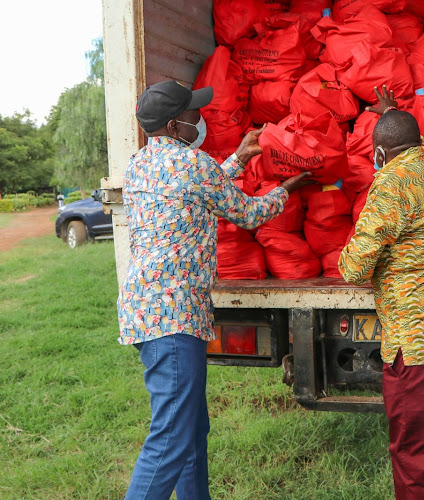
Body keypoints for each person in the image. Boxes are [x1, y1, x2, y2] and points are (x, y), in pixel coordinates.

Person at [117, 80, 310, 500]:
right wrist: (287, 189)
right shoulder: (194, 165)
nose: (198, 119)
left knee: (189, 429)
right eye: (192, 114)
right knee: (170, 439)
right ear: (174, 124)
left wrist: (238, 158)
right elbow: (248, 213)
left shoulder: (139, 165)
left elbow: (197, 189)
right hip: (174, 317)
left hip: (144, 310)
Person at [339, 89, 424, 500]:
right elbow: (412, 142)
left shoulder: (389, 184)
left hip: (411, 344)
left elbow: (356, 267)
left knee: (411, 450)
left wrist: (345, 256)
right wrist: (392, 115)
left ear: (379, 153)